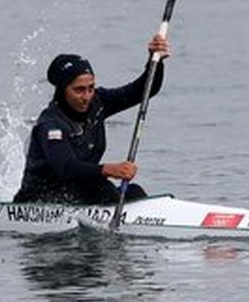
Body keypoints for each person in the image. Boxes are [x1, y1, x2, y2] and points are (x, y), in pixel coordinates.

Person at [13, 34, 171, 205]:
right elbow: (66, 167)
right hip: (40, 201)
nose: (87, 96)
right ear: (63, 91)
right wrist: (108, 169)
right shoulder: (51, 124)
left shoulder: (98, 102)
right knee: (104, 189)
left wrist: (156, 60)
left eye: (91, 88)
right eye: (79, 90)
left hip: (81, 193)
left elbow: (144, 90)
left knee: (134, 192)